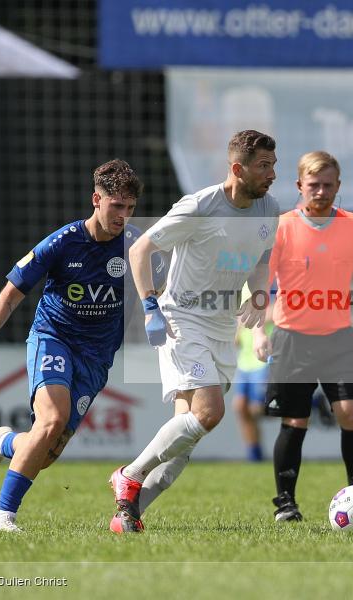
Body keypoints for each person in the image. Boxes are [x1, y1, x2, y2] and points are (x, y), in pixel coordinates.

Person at [108, 130, 280, 533]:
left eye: (274, 165)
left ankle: (128, 515)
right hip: (182, 318)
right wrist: (150, 304)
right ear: (237, 169)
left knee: (187, 434)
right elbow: (140, 250)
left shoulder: (268, 208)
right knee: (209, 413)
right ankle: (129, 475)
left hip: (221, 327)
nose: (273, 174)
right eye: (264, 166)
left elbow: (260, 261)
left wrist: (257, 298)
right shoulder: (200, 206)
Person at [0, 159, 145, 532]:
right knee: (51, 420)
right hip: (54, 338)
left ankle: (5, 442)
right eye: (116, 207)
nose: (123, 216)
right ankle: (2, 518)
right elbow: (12, 293)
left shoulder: (136, 246)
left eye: (130, 209)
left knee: (44, 454)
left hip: (96, 357)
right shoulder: (63, 242)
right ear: (97, 199)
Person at [253, 150, 353, 522]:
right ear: (299, 186)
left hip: (339, 337)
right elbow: (259, 284)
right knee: (295, 421)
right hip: (291, 338)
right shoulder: (281, 227)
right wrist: (258, 331)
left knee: (351, 412)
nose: (321, 192)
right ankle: (286, 504)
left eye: (329, 185)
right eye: (314, 185)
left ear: (338, 186)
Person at [232, 286, 275, 462]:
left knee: (256, 408)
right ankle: (254, 455)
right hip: (244, 362)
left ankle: (308, 404)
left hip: (264, 360)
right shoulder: (242, 286)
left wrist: (254, 315)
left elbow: (280, 311)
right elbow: (237, 322)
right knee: (240, 407)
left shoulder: (270, 283)